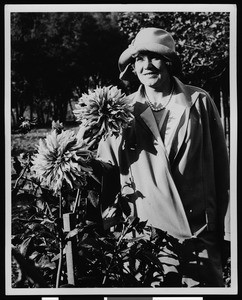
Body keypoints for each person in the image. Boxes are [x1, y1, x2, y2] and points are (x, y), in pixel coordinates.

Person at [92, 27, 230, 287]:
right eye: (139, 59)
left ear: (169, 62)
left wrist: (229, 232)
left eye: (155, 57)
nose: (147, 66)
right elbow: (105, 174)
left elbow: (224, 171)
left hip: (199, 234)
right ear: (132, 67)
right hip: (146, 241)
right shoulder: (121, 110)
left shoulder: (199, 101)